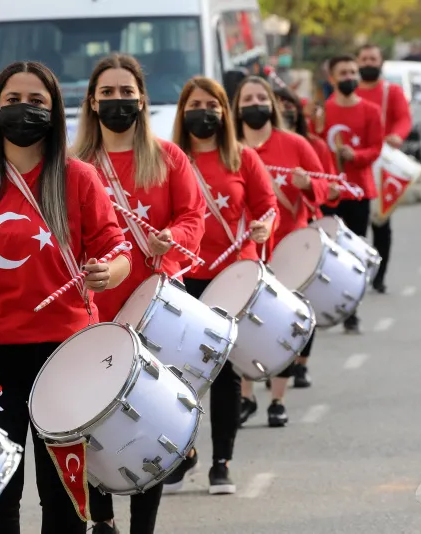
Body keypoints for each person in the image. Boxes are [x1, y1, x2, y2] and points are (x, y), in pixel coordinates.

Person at [0, 61, 132, 534]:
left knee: (66, 504)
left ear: (55, 113)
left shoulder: (79, 178)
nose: (24, 110)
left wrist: (106, 273)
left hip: (65, 358)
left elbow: (119, 253)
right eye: (12, 101)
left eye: (36, 102)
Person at [72, 53, 205, 534]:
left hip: (155, 309)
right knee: (92, 425)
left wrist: (171, 243)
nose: (117, 101)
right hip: (95, 315)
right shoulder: (77, 165)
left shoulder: (168, 157)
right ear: (91, 101)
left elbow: (194, 217)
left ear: (142, 99)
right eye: (107, 93)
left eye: (126, 92)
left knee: (147, 427)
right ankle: (103, 520)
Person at [163, 75, 277, 493]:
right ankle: (184, 454)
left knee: (226, 371)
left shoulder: (242, 158)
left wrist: (264, 228)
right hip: (183, 277)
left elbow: (266, 208)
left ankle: (222, 462)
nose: (204, 112)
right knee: (180, 376)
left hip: (232, 277)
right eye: (195, 104)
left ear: (224, 113)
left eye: (212, 105)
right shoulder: (170, 159)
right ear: (182, 112)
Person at [230, 76, 328, 425]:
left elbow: (327, 190)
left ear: (271, 104)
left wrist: (308, 184)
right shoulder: (230, 148)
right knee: (243, 326)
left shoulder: (296, 144)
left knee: (284, 325)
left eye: (260, 97)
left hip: (290, 249)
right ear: (236, 107)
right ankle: (245, 396)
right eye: (247, 98)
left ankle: (277, 400)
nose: (254, 104)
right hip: (245, 252)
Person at [322, 54, 384, 334]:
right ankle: (326, 307)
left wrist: (355, 155)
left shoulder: (371, 111)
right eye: (343, 73)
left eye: (353, 72)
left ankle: (352, 311)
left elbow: (375, 149)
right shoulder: (322, 112)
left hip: (358, 192)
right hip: (329, 194)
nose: (349, 77)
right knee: (328, 255)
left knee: (354, 254)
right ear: (332, 78)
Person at [355, 43, 413, 294]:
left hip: (383, 167)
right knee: (354, 226)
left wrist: (397, 136)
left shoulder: (392, 92)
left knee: (381, 221)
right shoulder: (348, 94)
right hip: (355, 167)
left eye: (373, 58)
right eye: (364, 58)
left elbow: (404, 119)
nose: (368, 63)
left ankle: (380, 276)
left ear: (381, 62)